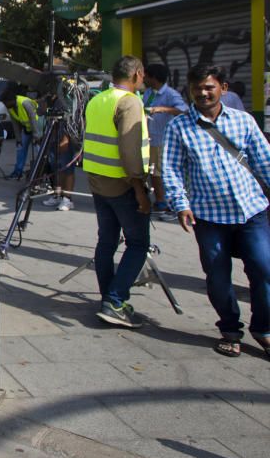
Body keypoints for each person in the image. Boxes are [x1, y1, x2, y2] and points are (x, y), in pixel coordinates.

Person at [163, 63, 270, 359]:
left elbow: (264, 160)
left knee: (265, 269)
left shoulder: (243, 121)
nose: (203, 93)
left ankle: (264, 328)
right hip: (209, 217)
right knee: (218, 276)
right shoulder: (179, 127)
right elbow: (171, 169)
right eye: (197, 88)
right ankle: (230, 330)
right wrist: (180, 204)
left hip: (252, 211)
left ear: (223, 88)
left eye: (209, 87)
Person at [82, 55, 151, 328]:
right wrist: (140, 190)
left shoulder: (97, 99)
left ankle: (108, 298)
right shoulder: (130, 102)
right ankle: (115, 299)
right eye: (142, 75)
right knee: (137, 244)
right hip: (123, 185)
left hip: (98, 182)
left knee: (106, 242)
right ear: (136, 74)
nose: (143, 79)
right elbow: (130, 150)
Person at [142, 63, 188, 222]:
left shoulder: (170, 94)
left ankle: (170, 205)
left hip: (163, 140)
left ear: (154, 77)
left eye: (146, 75)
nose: (143, 78)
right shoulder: (148, 92)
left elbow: (184, 110)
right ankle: (160, 201)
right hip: (149, 139)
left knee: (161, 173)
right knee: (153, 173)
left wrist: (163, 109)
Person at [2, 90, 40, 179]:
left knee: (40, 151)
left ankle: (42, 172)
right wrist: (18, 139)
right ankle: (17, 172)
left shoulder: (25, 103)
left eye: (5, 102)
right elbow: (15, 124)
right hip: (27, 129)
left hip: (38, 127)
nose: (4, 105)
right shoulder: (10, 107)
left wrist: (36, 136)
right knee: (20, 149)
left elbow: (33, 119)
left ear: (11, 100)